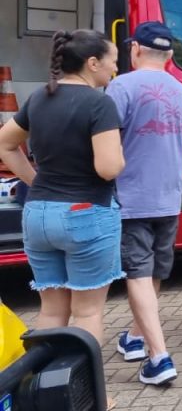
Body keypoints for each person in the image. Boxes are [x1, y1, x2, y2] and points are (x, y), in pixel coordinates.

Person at [0, 30, 124, 349]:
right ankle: (88, 398)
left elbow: (5, 143)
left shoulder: (40, 96)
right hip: (86, 214)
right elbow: (108, 168)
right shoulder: (100, 103)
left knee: (52, 310)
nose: (115, 69)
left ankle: (47, 390)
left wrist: (34, 181)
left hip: (39, 214)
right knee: (87, 312)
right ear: (92, 62)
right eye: (113, 62)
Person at [106, 21, 182, 385]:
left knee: (138, 274)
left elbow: (105, 139)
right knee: (154, 272)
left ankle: (159, 357)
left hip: (132, 197)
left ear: (136, 50)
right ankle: (136, 337)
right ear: (170, 55)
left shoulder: (121, 87)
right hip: (169, 196)